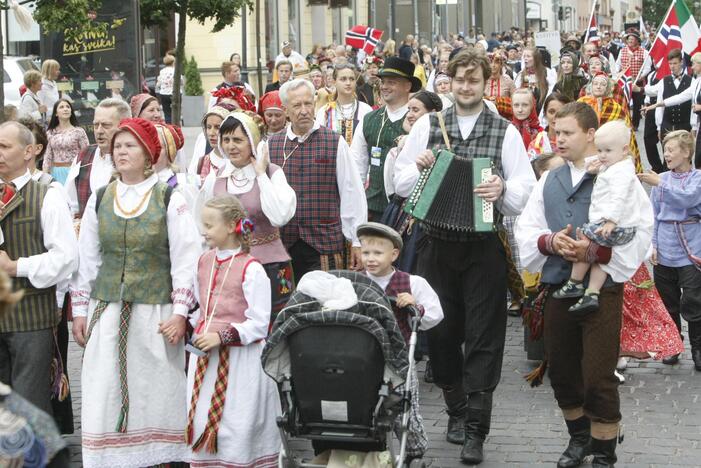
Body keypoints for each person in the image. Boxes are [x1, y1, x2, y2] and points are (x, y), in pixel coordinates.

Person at [392, 49, 536, 464]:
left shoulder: (504, 130)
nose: (466, 87)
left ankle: (476, 427)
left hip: (482, 249)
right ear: (449, 83)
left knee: (485, 337)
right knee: (439, 333)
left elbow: (525, 189)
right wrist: (417, 168)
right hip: (435, 245)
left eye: (473, 80)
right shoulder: (427, 126)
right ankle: (455, 409)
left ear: (485, 82)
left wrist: (502, 191)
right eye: (459, 81)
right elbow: (399, 184)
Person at [516, 102, 652, 468]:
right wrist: (551, 242)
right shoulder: (550, 179)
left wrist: (597, 252)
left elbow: (641, 229)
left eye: (566, 133)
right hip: (559, 284)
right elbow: (527, 228)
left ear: (590, 135)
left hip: (602, 292)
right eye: (555, 132)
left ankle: (604, 451)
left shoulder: (617, 175)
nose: (557, 139)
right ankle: (579, 438)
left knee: (597, 374)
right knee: (561, 370)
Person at [70, 118, 201, 467]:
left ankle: (158, 456)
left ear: (148, 154)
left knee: (156, 386)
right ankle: (111, 458)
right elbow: (88, 259)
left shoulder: (169, 198)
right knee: (105, 386)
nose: (121, 151)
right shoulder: (101, 198)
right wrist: (80, 311)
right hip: (108, 309)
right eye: (118, 146)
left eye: (130, 146)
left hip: (154, 313)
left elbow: (186, 258)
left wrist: (179, 312)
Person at [187, 194, 281, 466]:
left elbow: (260, 323)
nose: (204, 231)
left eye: (210, 225)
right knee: (204, 414)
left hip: (240, 362)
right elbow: (201, 307)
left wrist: (222, 335)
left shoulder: (252, 269)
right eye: (203, 224)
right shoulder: (203, 261)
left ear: (231, 226)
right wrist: (191, 325)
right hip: (205, 358)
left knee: (237, 419)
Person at [0, 121, 79, 417]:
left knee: (29, 404)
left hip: (30, 317)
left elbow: (67, 258)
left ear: (28, 152)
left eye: (5, 147)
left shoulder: (48, 193)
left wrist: (16, 266)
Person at [357, 222, 444, 461]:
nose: (370, 259)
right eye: (366, 253)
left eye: (377, 253)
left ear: (394, 254)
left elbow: (436, 313)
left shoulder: (411, 283)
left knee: (404, 406)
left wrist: (416, 306)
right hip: (361, 358)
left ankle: (414, 446)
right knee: (366, 406)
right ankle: (371, 447)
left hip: (399, 359)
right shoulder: (354, 283)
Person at [199, 113, 296, 324]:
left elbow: (279, 216)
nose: (231, 146)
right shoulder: (217, 178)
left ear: (252, 142)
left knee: (271, 325)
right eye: (226, 140)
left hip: (269, 265)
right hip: (228, 266)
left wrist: (261, 174)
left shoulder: (272, 173)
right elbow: (203, 223)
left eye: (238, 140)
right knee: (234, 323)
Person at [268, 79, 367, 279]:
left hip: (324, 243)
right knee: (288, 305)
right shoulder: (271, 145)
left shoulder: (334, 142)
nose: (304, 110)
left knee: (325, 304)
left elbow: (352, 192)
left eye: (308, 104)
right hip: (284, 244)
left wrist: (356, 240)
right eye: (297, 105)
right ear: (286, 110)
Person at [553, 120, 649, 314]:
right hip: (620, 226)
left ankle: (575, 282)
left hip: (616, 225)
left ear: (624, 150)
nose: (602, 156)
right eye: (599, 150)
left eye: (607, 151)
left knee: (585, 241)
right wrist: (596, 167)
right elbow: (602, 168)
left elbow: (619, 197)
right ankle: (592, 292)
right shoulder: (617, 165)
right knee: (601, 259)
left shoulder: (621, 173)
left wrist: (611, 221)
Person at [639, 130, 701, 370]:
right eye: (664, 150)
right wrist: (652, 245)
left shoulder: (697, 178)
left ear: (686, 152)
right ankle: (673, 345)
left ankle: (698, 347)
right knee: (668, 302)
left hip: (691, 248)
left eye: (671, 149)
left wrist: (660, 183)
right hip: (665, 246)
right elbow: (653, 214)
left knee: (694, 300)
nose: (666, 154)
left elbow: (688, 199)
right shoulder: (662, 178)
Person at [350, 57, 420, 220]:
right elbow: (357, 165)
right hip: (372, 207)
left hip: (407, 210)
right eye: (383, 82)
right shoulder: (369, 119)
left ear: (407, 86)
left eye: (392, 82)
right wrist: (357, 203)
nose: (385, 87)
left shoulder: (419, 121)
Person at [64, 98, 131, 221]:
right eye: (96, 125)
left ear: (124, 126)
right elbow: (70, 204)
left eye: (106, 125)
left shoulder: (133, 160)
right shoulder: (83, 156)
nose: (99, 131)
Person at [645, 52, 701, 168]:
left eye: (694, 64)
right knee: (670, 156)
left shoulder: (692, 81)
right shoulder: (695, 82)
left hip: (686, 124)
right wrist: (658, 106)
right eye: (670, 63)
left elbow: (691, 103)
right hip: (669, 124)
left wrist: (694, 125)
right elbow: (678, 97)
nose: (692, 67)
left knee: (689, 157)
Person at [578, 73, 643, 172]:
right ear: (591, 86)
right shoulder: (581, 103)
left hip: (607, 149)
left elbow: (624, 130)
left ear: (608, 88)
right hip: (586, 147)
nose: (598, 86)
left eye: (602, 84)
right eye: (595, 83)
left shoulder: (615, 107)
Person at [316, 64, 373, 145]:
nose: (348, 83)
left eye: (352, 79)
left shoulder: (366, 109)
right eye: (343, 79)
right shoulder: (325, 111)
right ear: (334, 82)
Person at [43, 99, 89, 185]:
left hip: (75, 172)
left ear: (71, 111)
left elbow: (86, 154)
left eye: (68, 107)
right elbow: (47, 156)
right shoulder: (50, 133)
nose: (65, 109)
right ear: (56, 113)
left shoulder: (79, 131)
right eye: (61, 107)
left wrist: (85, 174)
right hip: (55, 173)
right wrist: (45, 176)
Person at [154, 123, 200, 209]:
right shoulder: (140, 183)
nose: (152, 151)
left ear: (169, 151)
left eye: (158, 147)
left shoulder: (183, 186)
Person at [654, 49, 693, 141]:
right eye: (670, 63)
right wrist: (659, 127)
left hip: (685, 126)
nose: (672, 66)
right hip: (667, 125)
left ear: (681, 62)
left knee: (684, 154)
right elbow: (660, 105)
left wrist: (693, 127)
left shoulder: (691, 81)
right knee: (668, 154)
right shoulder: (663, 81)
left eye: (675, 63)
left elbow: (692, 106)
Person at [188, 105, 233, 182]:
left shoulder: (237, 161)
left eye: (217, 127)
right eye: (208, 127)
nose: (211, 133)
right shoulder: (202, 162)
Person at [617, 30, 649, 130]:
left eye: (632, 38)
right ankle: (624, 122)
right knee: (623, 103)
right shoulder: (622, 51)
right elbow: (618, 64)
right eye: (629, 38)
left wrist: (640, 76)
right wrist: (618, 73)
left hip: (637, 82)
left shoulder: (644, 52)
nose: (630, 40)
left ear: (637, 41)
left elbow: (648, 67)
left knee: (637, 105)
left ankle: (635, 124)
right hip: (624, 81)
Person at [527, 92, 572, 160]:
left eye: (561, 112)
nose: (556, 116)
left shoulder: (576, 141)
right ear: (545, 114)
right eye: (551, 112)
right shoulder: (537, 144)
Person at [515, 47, 556, 113]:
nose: (525, 58)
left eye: (528, 56)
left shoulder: (547, 72)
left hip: (542, 109)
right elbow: (516, 93)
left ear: (536, 59)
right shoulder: (521, 74)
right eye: (524, 56)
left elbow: (552, 91)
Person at [485, 54, 515, 120]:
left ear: (501, 65)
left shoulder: (508, 81)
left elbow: (516, 103)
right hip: (486, 118)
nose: (493, 65)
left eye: (496, 62)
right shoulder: (482, 81)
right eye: (490, 62)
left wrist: (499, 102)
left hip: (505, 119)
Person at [156, 51, 176, 123]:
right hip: (174, 93)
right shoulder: (175, 71)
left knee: (167, 112)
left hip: (164, 93)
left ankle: (168, 125)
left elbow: (159, 83)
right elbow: (181, 82)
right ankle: (175, 126)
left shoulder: (162, 71)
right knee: (176, 111)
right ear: (173, 62)